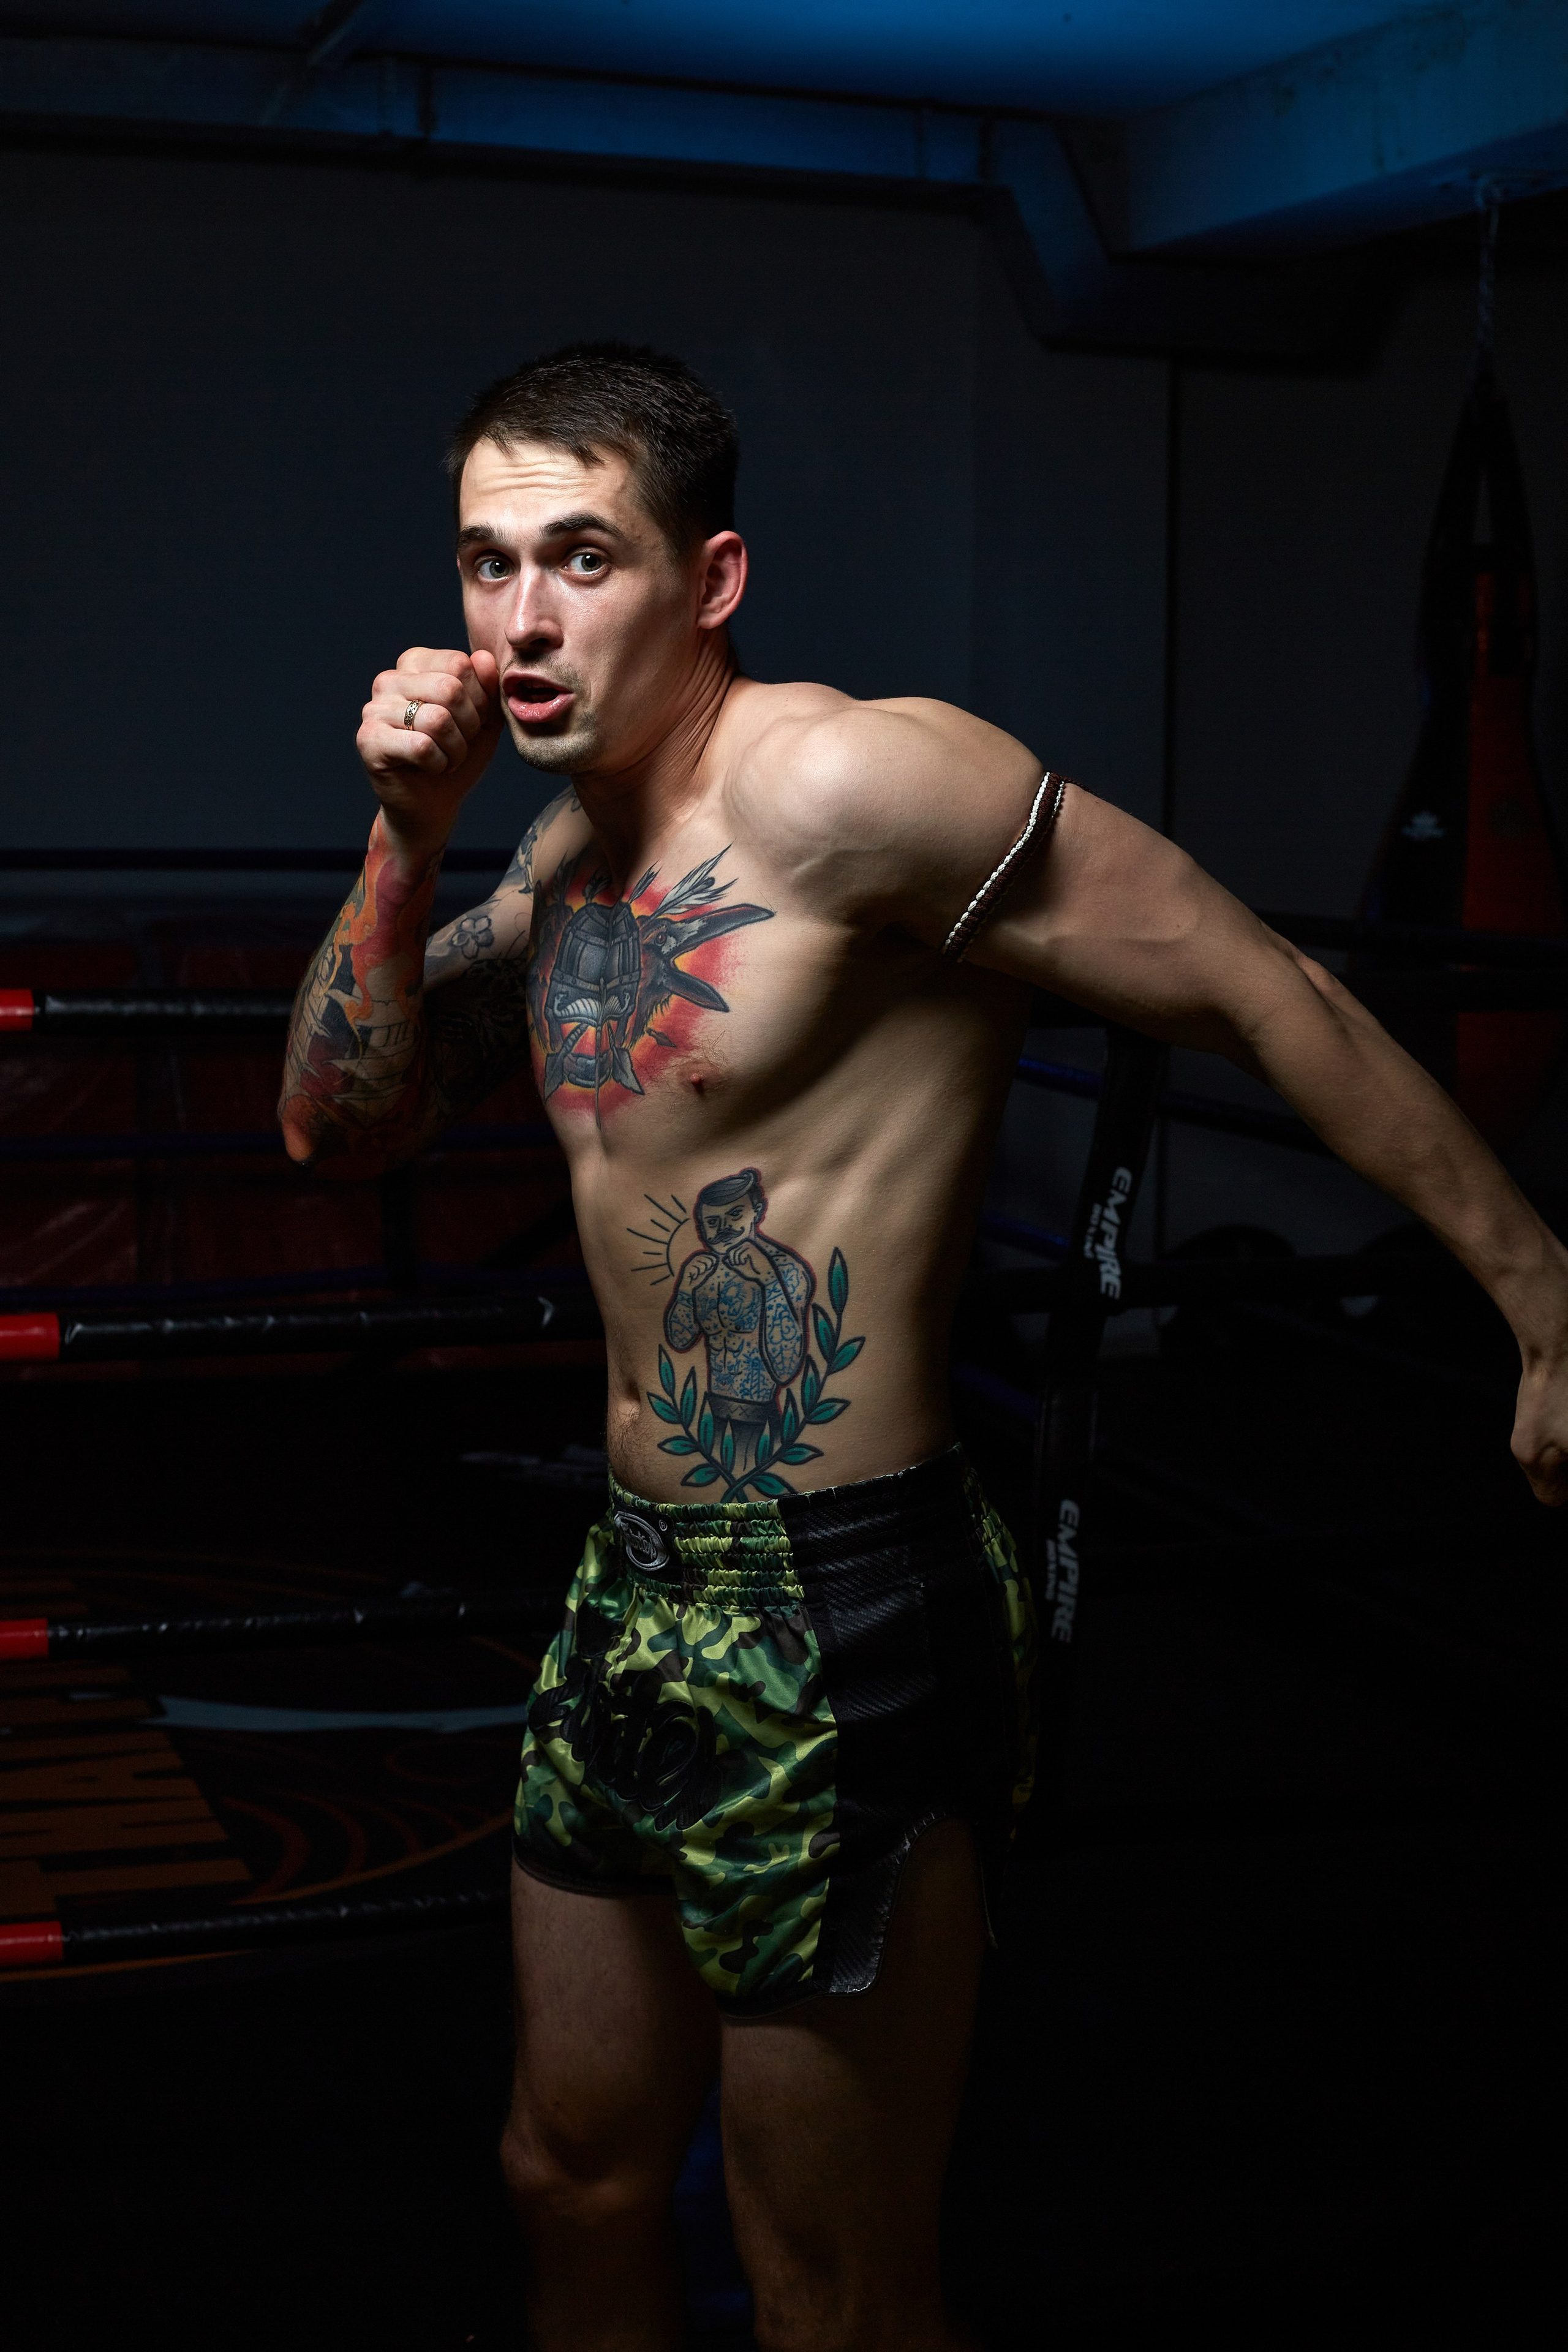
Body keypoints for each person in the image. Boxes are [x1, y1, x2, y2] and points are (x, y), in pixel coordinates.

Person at [279, 343, 1568, 2352]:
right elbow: (333, 1126)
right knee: (572, 2176)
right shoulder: (550, 852)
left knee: (834, 2283)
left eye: (583, 559)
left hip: (844, 1604)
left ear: (707, 580)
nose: (522, 621)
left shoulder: (854, 784)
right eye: (487, 561)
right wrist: (402, 836)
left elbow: (1260, 985)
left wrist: (1540, 1286)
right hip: (632, 1591)